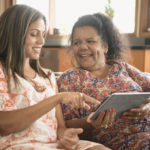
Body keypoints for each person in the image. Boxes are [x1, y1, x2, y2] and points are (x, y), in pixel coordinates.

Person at [0, 5, 111, 150]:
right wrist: (57, 98)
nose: (41, 41)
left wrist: (66, 137)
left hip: (54, 145)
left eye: (43, 34)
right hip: (20, 145)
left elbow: (60, 128)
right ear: (14, 34)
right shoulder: (3, 72)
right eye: (34, 34)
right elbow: (5, 125)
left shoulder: (47, 76)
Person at [57, 12, 150, 150]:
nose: (82, 47)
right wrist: (91, 122)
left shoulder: (121, 67)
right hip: (120, 142)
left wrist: (147, 108)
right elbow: (65, 125)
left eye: (90, 41)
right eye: (77, 43)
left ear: (105, 46)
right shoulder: (69, 78)